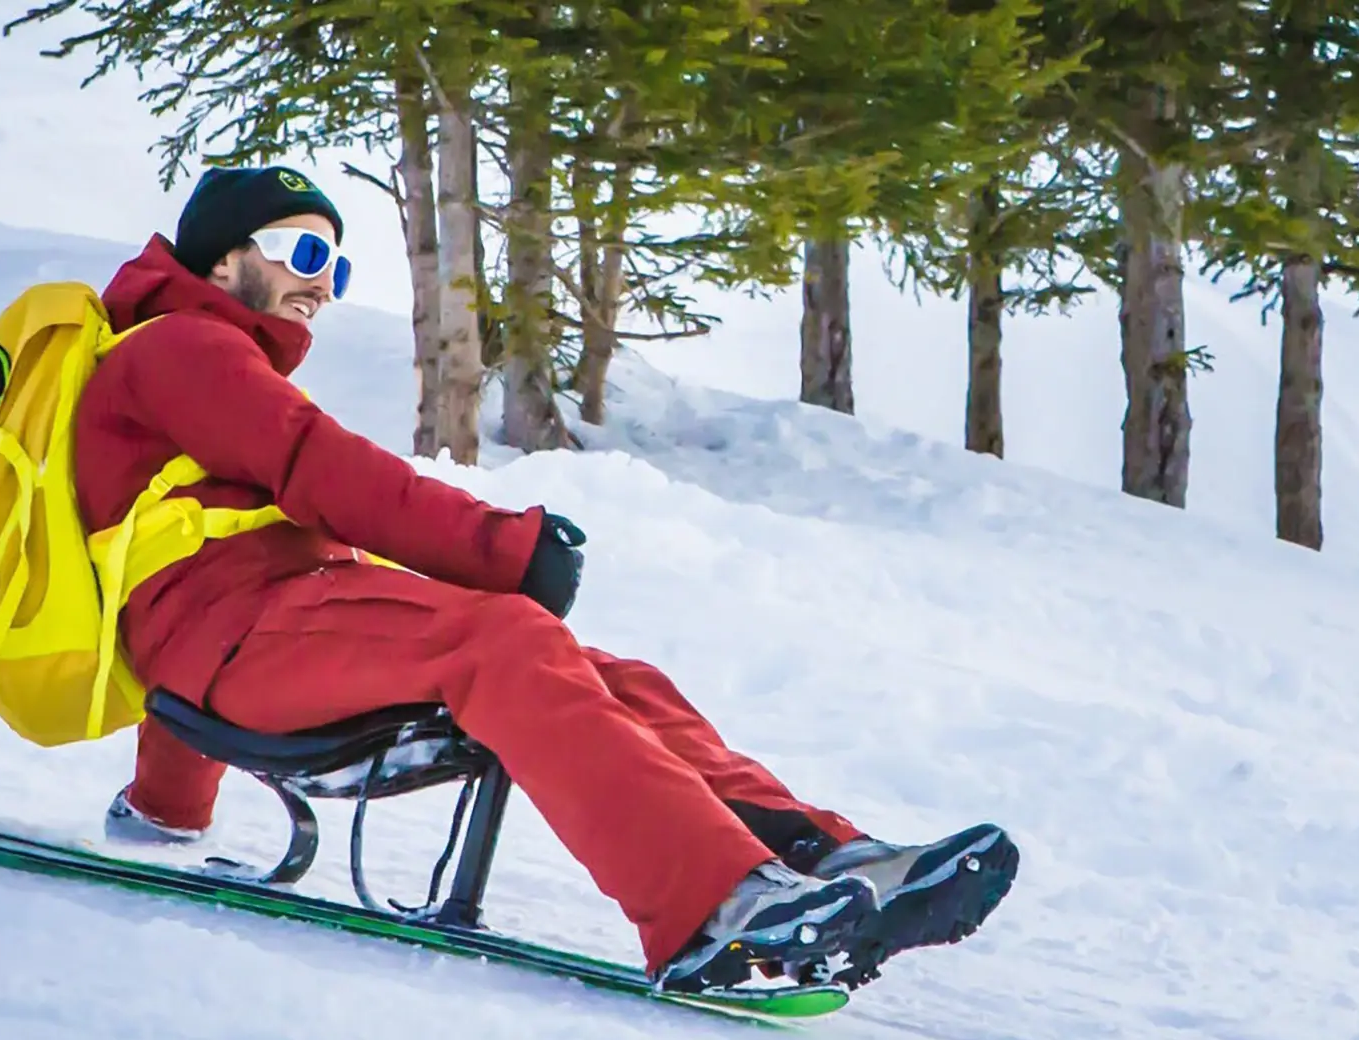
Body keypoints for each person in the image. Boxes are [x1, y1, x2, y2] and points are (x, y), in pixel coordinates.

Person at [71, 165, 1019, 990]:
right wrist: (500, 550)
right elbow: (324, 483)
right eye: (299, 254)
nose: (320, 286)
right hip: (245, 639)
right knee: (506, 639)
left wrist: (166, 815)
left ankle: (817, 860)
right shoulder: (179, 349)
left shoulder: (211, 366)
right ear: (218, 257)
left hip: (268, 630)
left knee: (607, 674)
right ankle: (715, 903)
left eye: (336, 266)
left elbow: (205, 594)